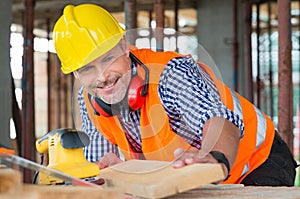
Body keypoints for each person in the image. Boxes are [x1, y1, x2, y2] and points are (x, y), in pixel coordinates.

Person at [53, 3, 298, 185]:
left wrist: (215, 158)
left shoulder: (170, 74)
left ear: (124, 47)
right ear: (75, 74)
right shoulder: (88, 98)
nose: (102, 76)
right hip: (191, 178)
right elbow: (98, 166)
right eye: (86, 68)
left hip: (259, 162)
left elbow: (219, 121)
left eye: (108, 58)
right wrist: (114, 174)